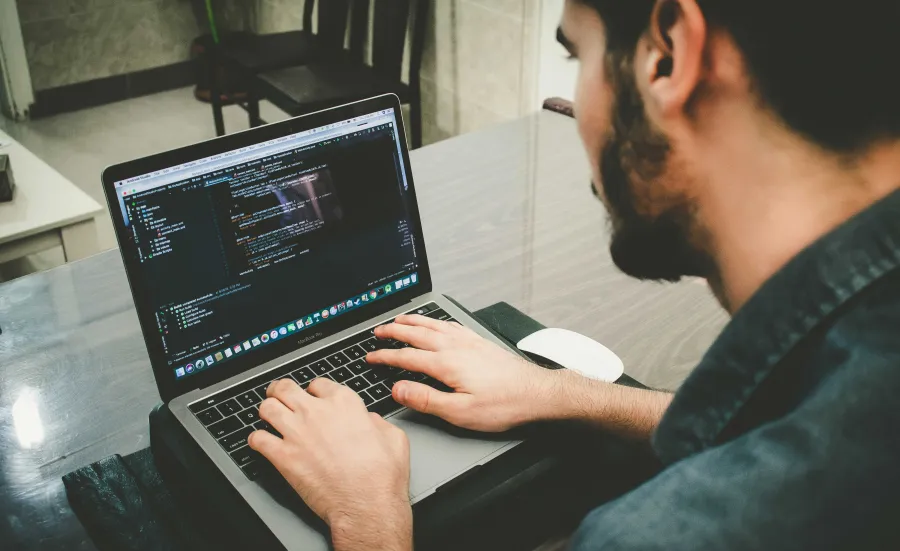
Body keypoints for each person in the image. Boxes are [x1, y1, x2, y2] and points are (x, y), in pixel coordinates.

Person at [247, 0, 900, 549]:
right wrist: (558, 392)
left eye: (576, 56)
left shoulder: (672, 533)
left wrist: (369, 518)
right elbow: (771, 413)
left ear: (667, 56)